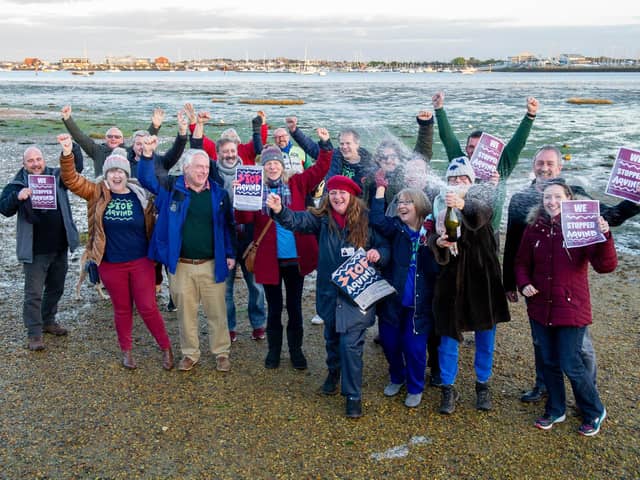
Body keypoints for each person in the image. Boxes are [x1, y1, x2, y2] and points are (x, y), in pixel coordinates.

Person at [503, 145, 640, 403]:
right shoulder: (520, 198)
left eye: (550, 164)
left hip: (567, 287)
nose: (544, 168)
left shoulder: (574, 195)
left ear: (559, 167)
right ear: (533, 165)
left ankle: (587, 393)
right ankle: (543, 385)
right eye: (540, 163)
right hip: (535, 284)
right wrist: (510, 283)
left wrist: (634, 200)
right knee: (540, 342)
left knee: (581, 348)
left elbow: (610, 216)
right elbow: (512, 244)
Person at [267, 175, 390, 418]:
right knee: (332, 339)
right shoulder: (321, 219)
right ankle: (333, 372)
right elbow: (297, 220)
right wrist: (280, 210)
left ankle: (353, 395)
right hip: (329, 293)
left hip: (358, 294)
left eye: (342, 193)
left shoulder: (366, 220)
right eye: (333, 192)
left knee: (351, 344)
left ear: (352, 196)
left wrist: (378, 253)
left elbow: (385, 246)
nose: (337, 196)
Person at [57, 135, 173, 370]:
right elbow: (71, 180)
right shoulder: (96, 193)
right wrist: (68, 153)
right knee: (121, 309)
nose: (117, 175)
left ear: (126, 173)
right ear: (106, 174)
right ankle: (127, 351)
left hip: (141, 261)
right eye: (112, 172)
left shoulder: (140, 195)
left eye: (121, 171)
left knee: (148, 307)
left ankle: (166, 348)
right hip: (110, 264)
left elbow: (157, 185)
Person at [515, 179, 616, 436]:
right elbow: (521, 263)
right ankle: (556, 408)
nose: (552, 202)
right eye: (548, 197)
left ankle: (594, 410)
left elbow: (605, 266)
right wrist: (524, 283)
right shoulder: (533, 228)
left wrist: (605, 235)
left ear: (569, 199)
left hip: (571, 308)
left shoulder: (582, 226)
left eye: (558, 197)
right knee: (548, 361)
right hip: (540, 307)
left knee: (571, 363)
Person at [137, 122, 236, 373]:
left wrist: (230, 254)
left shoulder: (218, 194)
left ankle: (221, 352)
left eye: (206, 167)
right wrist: (147, 154)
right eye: (198, 167)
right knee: (186, 314)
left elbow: (227, 227)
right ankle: (190, 354)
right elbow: (146, 178)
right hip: (180, 264)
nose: (204, 171)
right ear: (186, 168)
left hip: (212, 264)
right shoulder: (172, 189)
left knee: (217, 313)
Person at [236, 135, 332, 369]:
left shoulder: (297, 183)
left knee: (295, 307)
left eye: (276, 162)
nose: (272, 166)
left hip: (295, 258)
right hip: (269, 259)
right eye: (268, 163)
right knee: (274, 308)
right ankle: (274, 351)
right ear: (263, 166)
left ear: (282, 164)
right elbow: (244, 219)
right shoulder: (255, 188)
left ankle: (296, 352)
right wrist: (239, 197)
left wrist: (326, 145)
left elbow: (321, 168)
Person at [428, 157, 510, 414]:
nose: (457, 183)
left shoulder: (482, 199)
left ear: (472, 181)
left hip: (483, 279)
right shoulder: (439, 204)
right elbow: (431, 235)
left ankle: (483, 385)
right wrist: (437, 243)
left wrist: (462, 204)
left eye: (463, 179)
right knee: (449, 337)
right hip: (452, 282)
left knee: (486, 335)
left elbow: (479, 216)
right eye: (452, 179)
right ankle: (447, 388)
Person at [0, 143, 82, 351]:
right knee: (33, 294)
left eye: (38, 159)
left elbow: (77, 169)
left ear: (44, 160)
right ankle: (34, 334)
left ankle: (48, 321)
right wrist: (17, 198)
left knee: (56, 288)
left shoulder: (57, 175)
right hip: (35, 250)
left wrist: (71, 148)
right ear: (24, 163)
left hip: (59, 246)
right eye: (31, 161)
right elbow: (4, 208)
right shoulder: (18, 182)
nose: (35, 164)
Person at [369, 183, 440, 408]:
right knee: (390, 343)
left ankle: (415, 386)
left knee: (414, 347)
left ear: (419, 206)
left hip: (419, 305)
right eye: (399, 202)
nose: (401, 206)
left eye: (407, 201)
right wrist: (380, 189)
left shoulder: (431, 232)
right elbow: (376, 219)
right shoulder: (396, 228)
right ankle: (397, 377)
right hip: (393, 301)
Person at [432, 91, 539, 232]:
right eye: (470, 147)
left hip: (489, 232)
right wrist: (439, 109)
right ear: (466, 148)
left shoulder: (501, 166)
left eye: (478, 148)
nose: (474, 151)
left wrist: (530, 115)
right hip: (463, 229)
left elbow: (518, 143)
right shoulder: (460, 164)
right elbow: (448, 139)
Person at [209, 133, 266, 343]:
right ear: (218, 154)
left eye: (232, 151)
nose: (230, 155)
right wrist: (228, 194)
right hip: (225, 239)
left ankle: (259, 324)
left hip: (249, 237)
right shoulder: (212, 176)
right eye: (225, 152)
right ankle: (229, 327)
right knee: (226, 289)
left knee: (256, 287)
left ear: (238, 151)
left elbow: (260, 207)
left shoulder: (251, 172)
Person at [61, 104, 164, 176]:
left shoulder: (129, 152)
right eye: (110, 136)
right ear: (105, 138)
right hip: (102, 194)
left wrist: (155, 126)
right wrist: (67, 119)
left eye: (117, 137)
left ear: (122, 140)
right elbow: (81, 138)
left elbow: (145, 142)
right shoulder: (97, 151)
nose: (113, 139)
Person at [286, 116, 376, 191]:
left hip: (355, 206)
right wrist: (294, 130)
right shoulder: (334, 155)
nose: (344, 147)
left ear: (357, 144)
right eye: (342, 143)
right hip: (330, 201)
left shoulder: (368, 164)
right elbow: (311, 147)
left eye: (348, 143)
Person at [183, 103, 267, 163]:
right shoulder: (215, 150)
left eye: (233, 136)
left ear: (238, 142)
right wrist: (195, 123)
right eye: (226, 137)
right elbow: (199, 141)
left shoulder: (246, 150)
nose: (230, 138)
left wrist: (262, 125)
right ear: (221, 143)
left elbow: (259, 142)